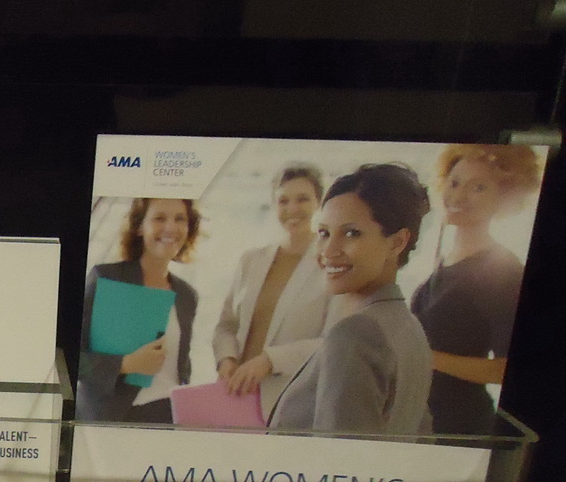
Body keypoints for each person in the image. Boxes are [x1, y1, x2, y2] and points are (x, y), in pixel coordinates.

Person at [269, 163, 433, 434]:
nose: (328, 251)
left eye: (351, 233)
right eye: (324, 233)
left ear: (397, 242)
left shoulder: (355, 335)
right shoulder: (410, 328)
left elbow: (339, 457)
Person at [411, 144, 541, 434]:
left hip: (461, 427)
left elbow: (506, 369)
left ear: (505, 196)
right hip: (424, 420)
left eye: (478, 187)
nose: (458, 196)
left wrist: (426, 358)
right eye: (455, 183)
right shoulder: (444, 261)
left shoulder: (503, 271)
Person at [213, 164, 339, 420]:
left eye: (302, 199)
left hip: (292, 402)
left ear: (319, 203)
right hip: (236, 397)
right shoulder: (251, 260)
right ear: (273, 205)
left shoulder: (331, 265)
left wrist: (270, 360)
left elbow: (332, 343)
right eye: (283, 201)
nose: (292, 209)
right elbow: (226, 326)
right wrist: (226, 359)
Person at [78, 197, 200, 422]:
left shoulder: (186, 294)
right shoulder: (108, 279)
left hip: (171, 418)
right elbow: (70, 358)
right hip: (117, 419)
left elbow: (181, 367)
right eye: (159, 218)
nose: (171, 227)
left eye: (180, 219)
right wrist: (125, 364)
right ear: (139, 227)